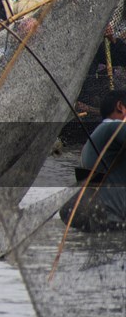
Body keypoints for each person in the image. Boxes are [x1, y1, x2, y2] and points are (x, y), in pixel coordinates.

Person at [60, 90, 125, 231]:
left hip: (97, 219)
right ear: (120, 106)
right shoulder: (114, 128)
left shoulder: (96, 137)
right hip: (114, 218)